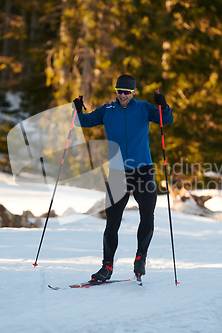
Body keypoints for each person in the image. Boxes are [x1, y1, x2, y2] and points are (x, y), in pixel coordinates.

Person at [73, 74, 173, 281]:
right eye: (120, 91)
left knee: (147, 215)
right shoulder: (107, 110)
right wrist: (77, 110)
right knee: (112, 221)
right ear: (116, 91)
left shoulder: (144, 108)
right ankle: (107, 267)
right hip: (118, 171)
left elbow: (166, 119)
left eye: (127, 92)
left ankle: (140, 258)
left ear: (134, 92)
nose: (123, 95)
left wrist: (164, 106)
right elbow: (85, 121)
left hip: (143, 170)